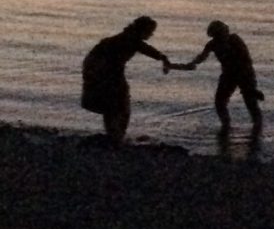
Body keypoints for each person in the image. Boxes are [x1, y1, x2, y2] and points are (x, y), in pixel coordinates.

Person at [81, 16, 170, 144]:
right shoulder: (130, 39)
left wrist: (162, 57)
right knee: (118, 104)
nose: (151, 34)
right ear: (142, 30)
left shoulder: (129, 37)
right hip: (101, 68)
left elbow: (144, 48)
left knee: (114, 104)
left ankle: (115, 134)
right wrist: (162, 58)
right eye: (150, 31)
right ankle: (116, 136)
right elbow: (143, 48)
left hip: (99, 67)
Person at [174, 20, 263, 130]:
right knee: (220, 103)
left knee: (250, 103)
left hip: (244, 73)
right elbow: (202, 57)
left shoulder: (234, 39)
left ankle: (257, 126)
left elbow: (246, 60)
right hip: (228, 75)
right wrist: (191, 64)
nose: (220, 37)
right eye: (217, 35)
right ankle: (226, 125)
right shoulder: (212, 44)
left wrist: (248, 86)